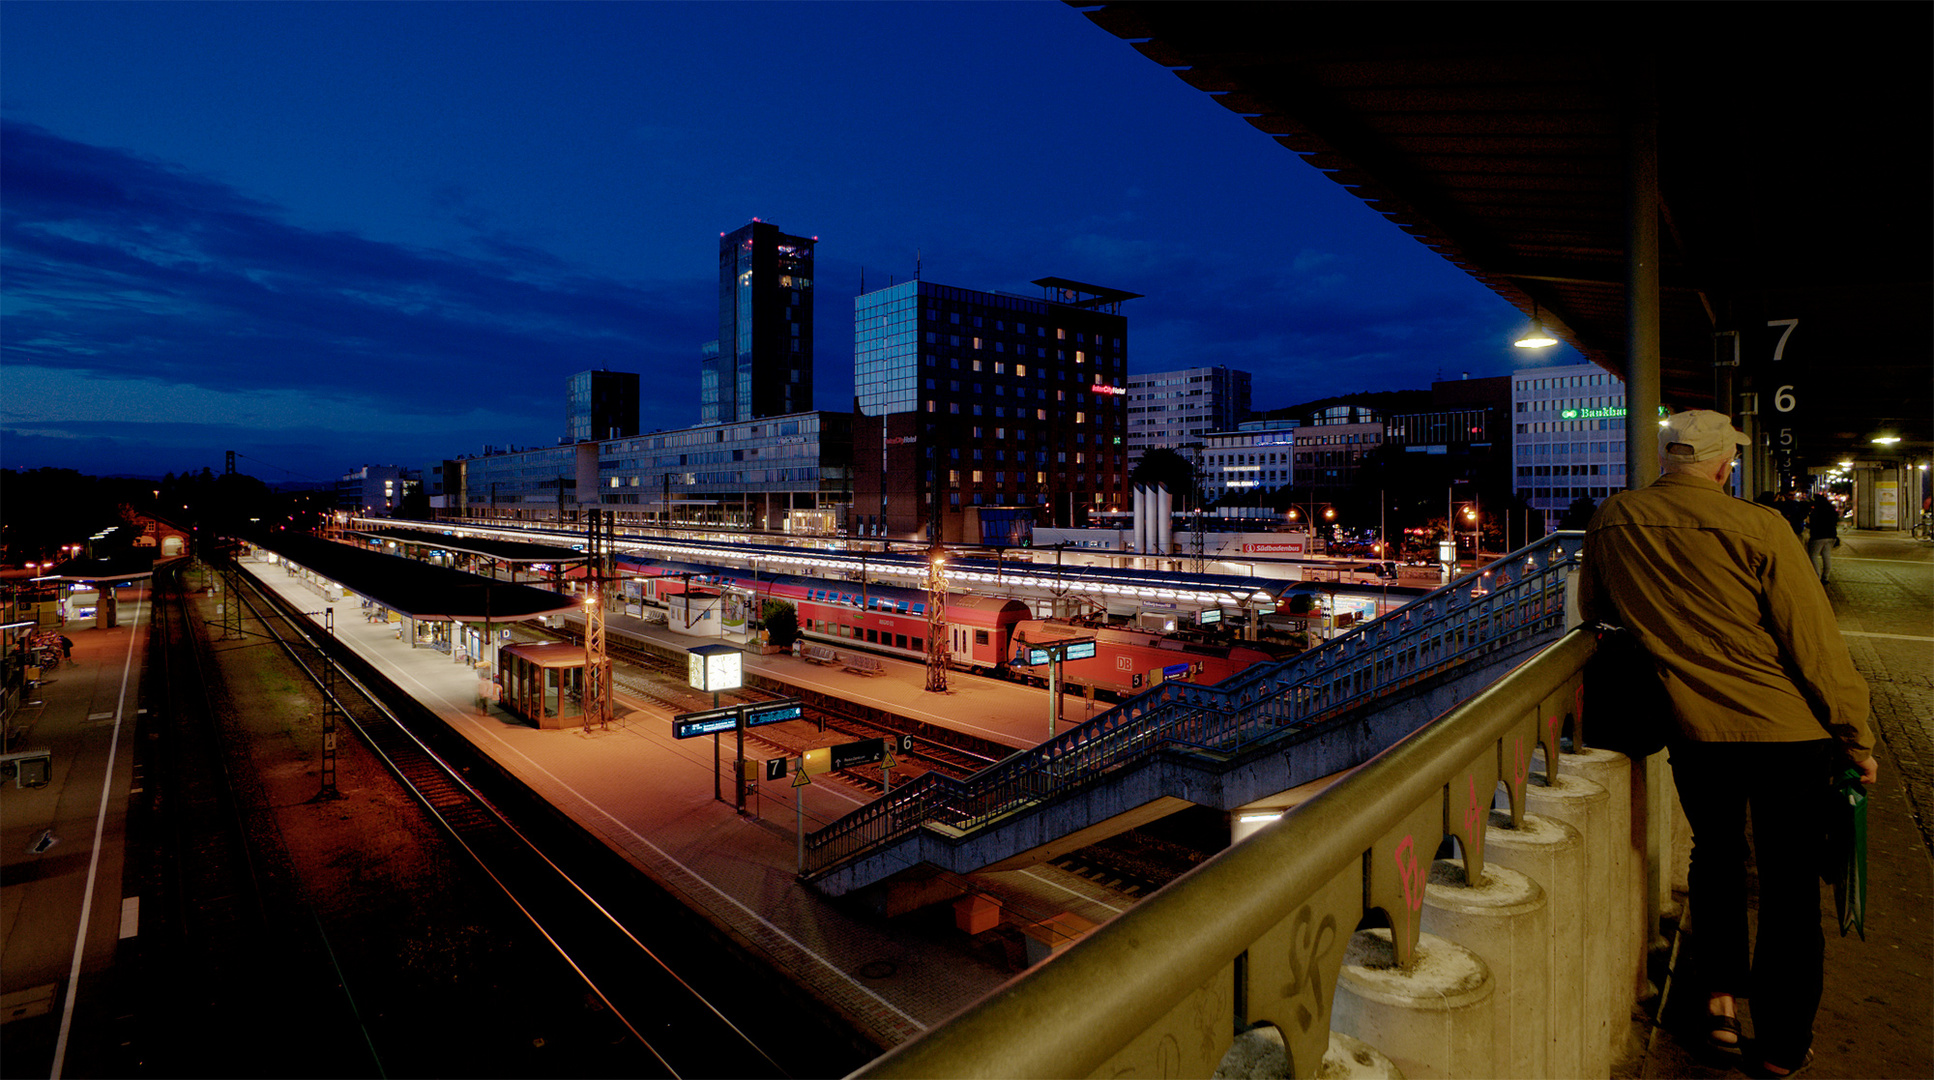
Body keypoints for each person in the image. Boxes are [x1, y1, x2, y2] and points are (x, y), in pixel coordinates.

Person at [1578, 409, 1877, 1079]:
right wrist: (1856, 735)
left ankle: (1717, 1006)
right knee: (1790, 886)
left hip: (1694, 731)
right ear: (1721, 465)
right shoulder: (1761, 526)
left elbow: (1594, 611)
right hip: (1787, 733)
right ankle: (1780, 1046)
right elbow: (1814, 643)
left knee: (1716, 860)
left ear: (1667, 460)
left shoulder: (1613, 519)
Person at [1806, 494, 1840, 583]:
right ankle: (1825, 577)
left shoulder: (1816, 512)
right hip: (1831, 536)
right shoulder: (1831, 510)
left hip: (1818, 536)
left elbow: (1812, 524)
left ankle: (1816, 576)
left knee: (1813, 556)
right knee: (1826, 556)